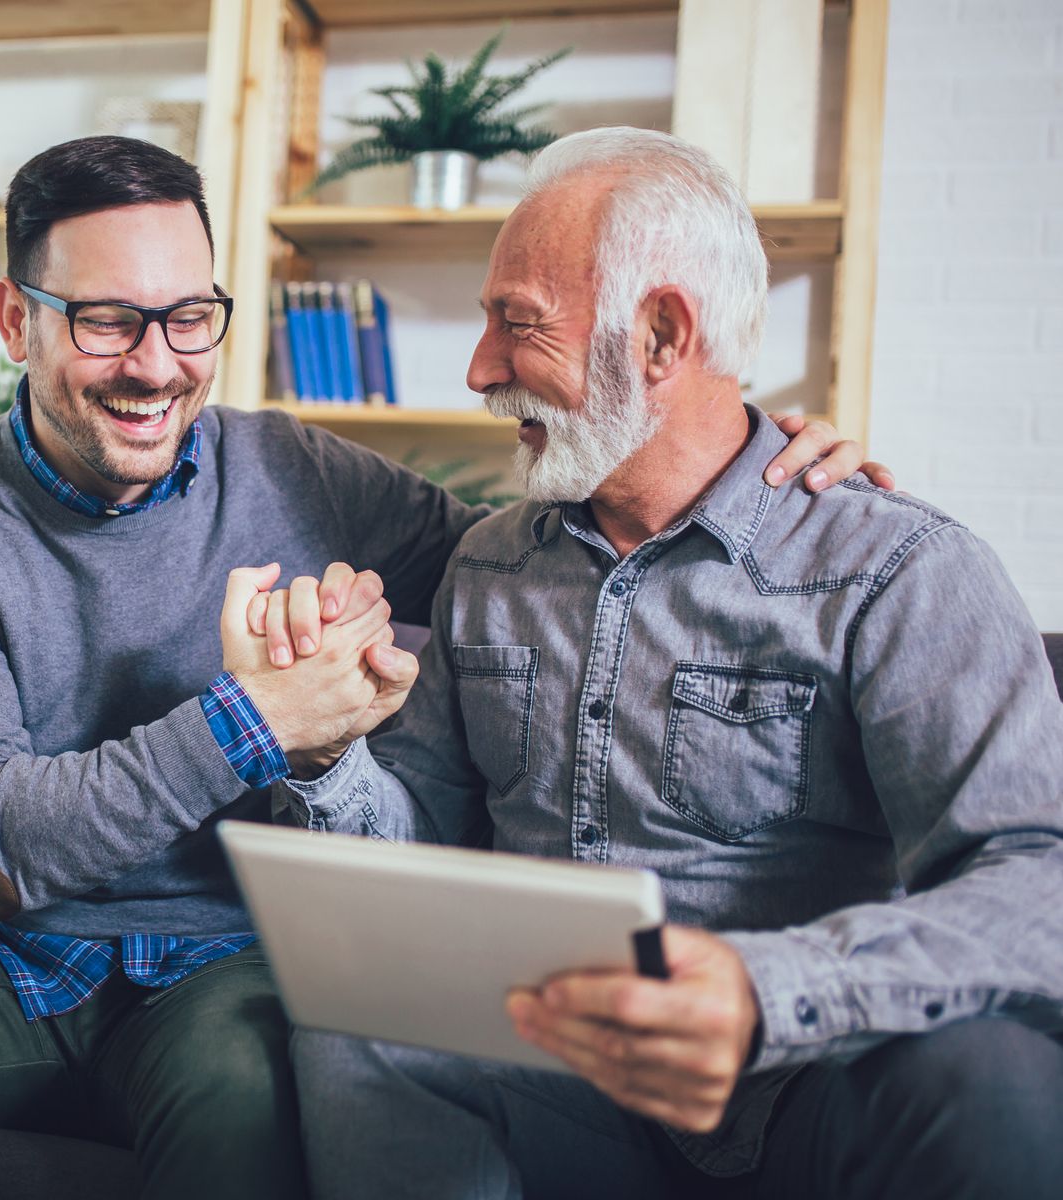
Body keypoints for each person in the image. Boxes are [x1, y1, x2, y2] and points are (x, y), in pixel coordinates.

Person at [0, 135, 882, 1200]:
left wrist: (755, 464)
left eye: (190, 317)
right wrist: (252, 721)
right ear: (18, 319)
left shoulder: (308, 474)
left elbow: (550, 573)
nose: (158, 364)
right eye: (110, 321)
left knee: (252, 1082)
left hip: (228, 966)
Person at [238, 127, 1063, 1200]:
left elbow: (1038, 885)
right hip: (553, 1081)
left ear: (664, 335)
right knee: (351, 1032)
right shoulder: (490, 563)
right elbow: (423, 838)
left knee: (989, 1078)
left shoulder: (898, 568)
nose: (481, 369)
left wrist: (767, 991)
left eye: (516, 324)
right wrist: (322, 751)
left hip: (797, 1084)